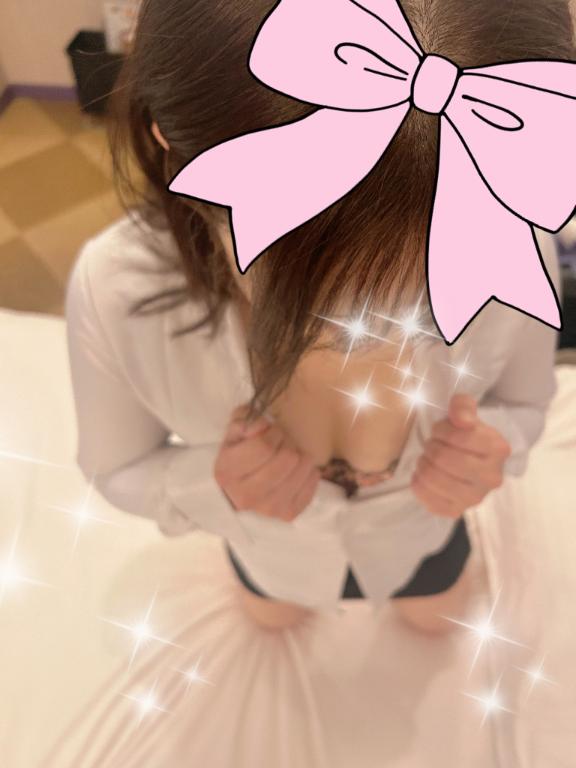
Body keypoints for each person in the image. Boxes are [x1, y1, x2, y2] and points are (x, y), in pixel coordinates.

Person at [65, 0, 574, 634]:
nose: (375, 334)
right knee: (272, 618)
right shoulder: (118, 292)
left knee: (438, 621)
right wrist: (215, 488)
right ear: (171, 138)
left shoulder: (517, 256)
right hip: (273, 555)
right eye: (318, 294)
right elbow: (114, 466)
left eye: (434, 282)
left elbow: (526, 404)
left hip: (420, 537)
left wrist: (495, 445)